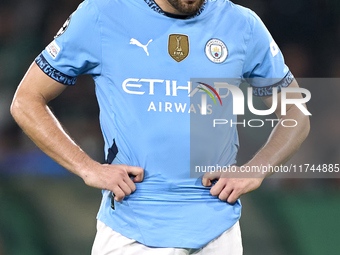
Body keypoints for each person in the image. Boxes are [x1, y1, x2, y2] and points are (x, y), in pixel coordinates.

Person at [10, 0, 310, 254]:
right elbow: (26, 100)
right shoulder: (101, 14)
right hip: (132, 229)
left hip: (219, 230)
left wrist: (255, 170)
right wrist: (87, 167)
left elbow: (296, 112)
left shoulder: (242, 24)